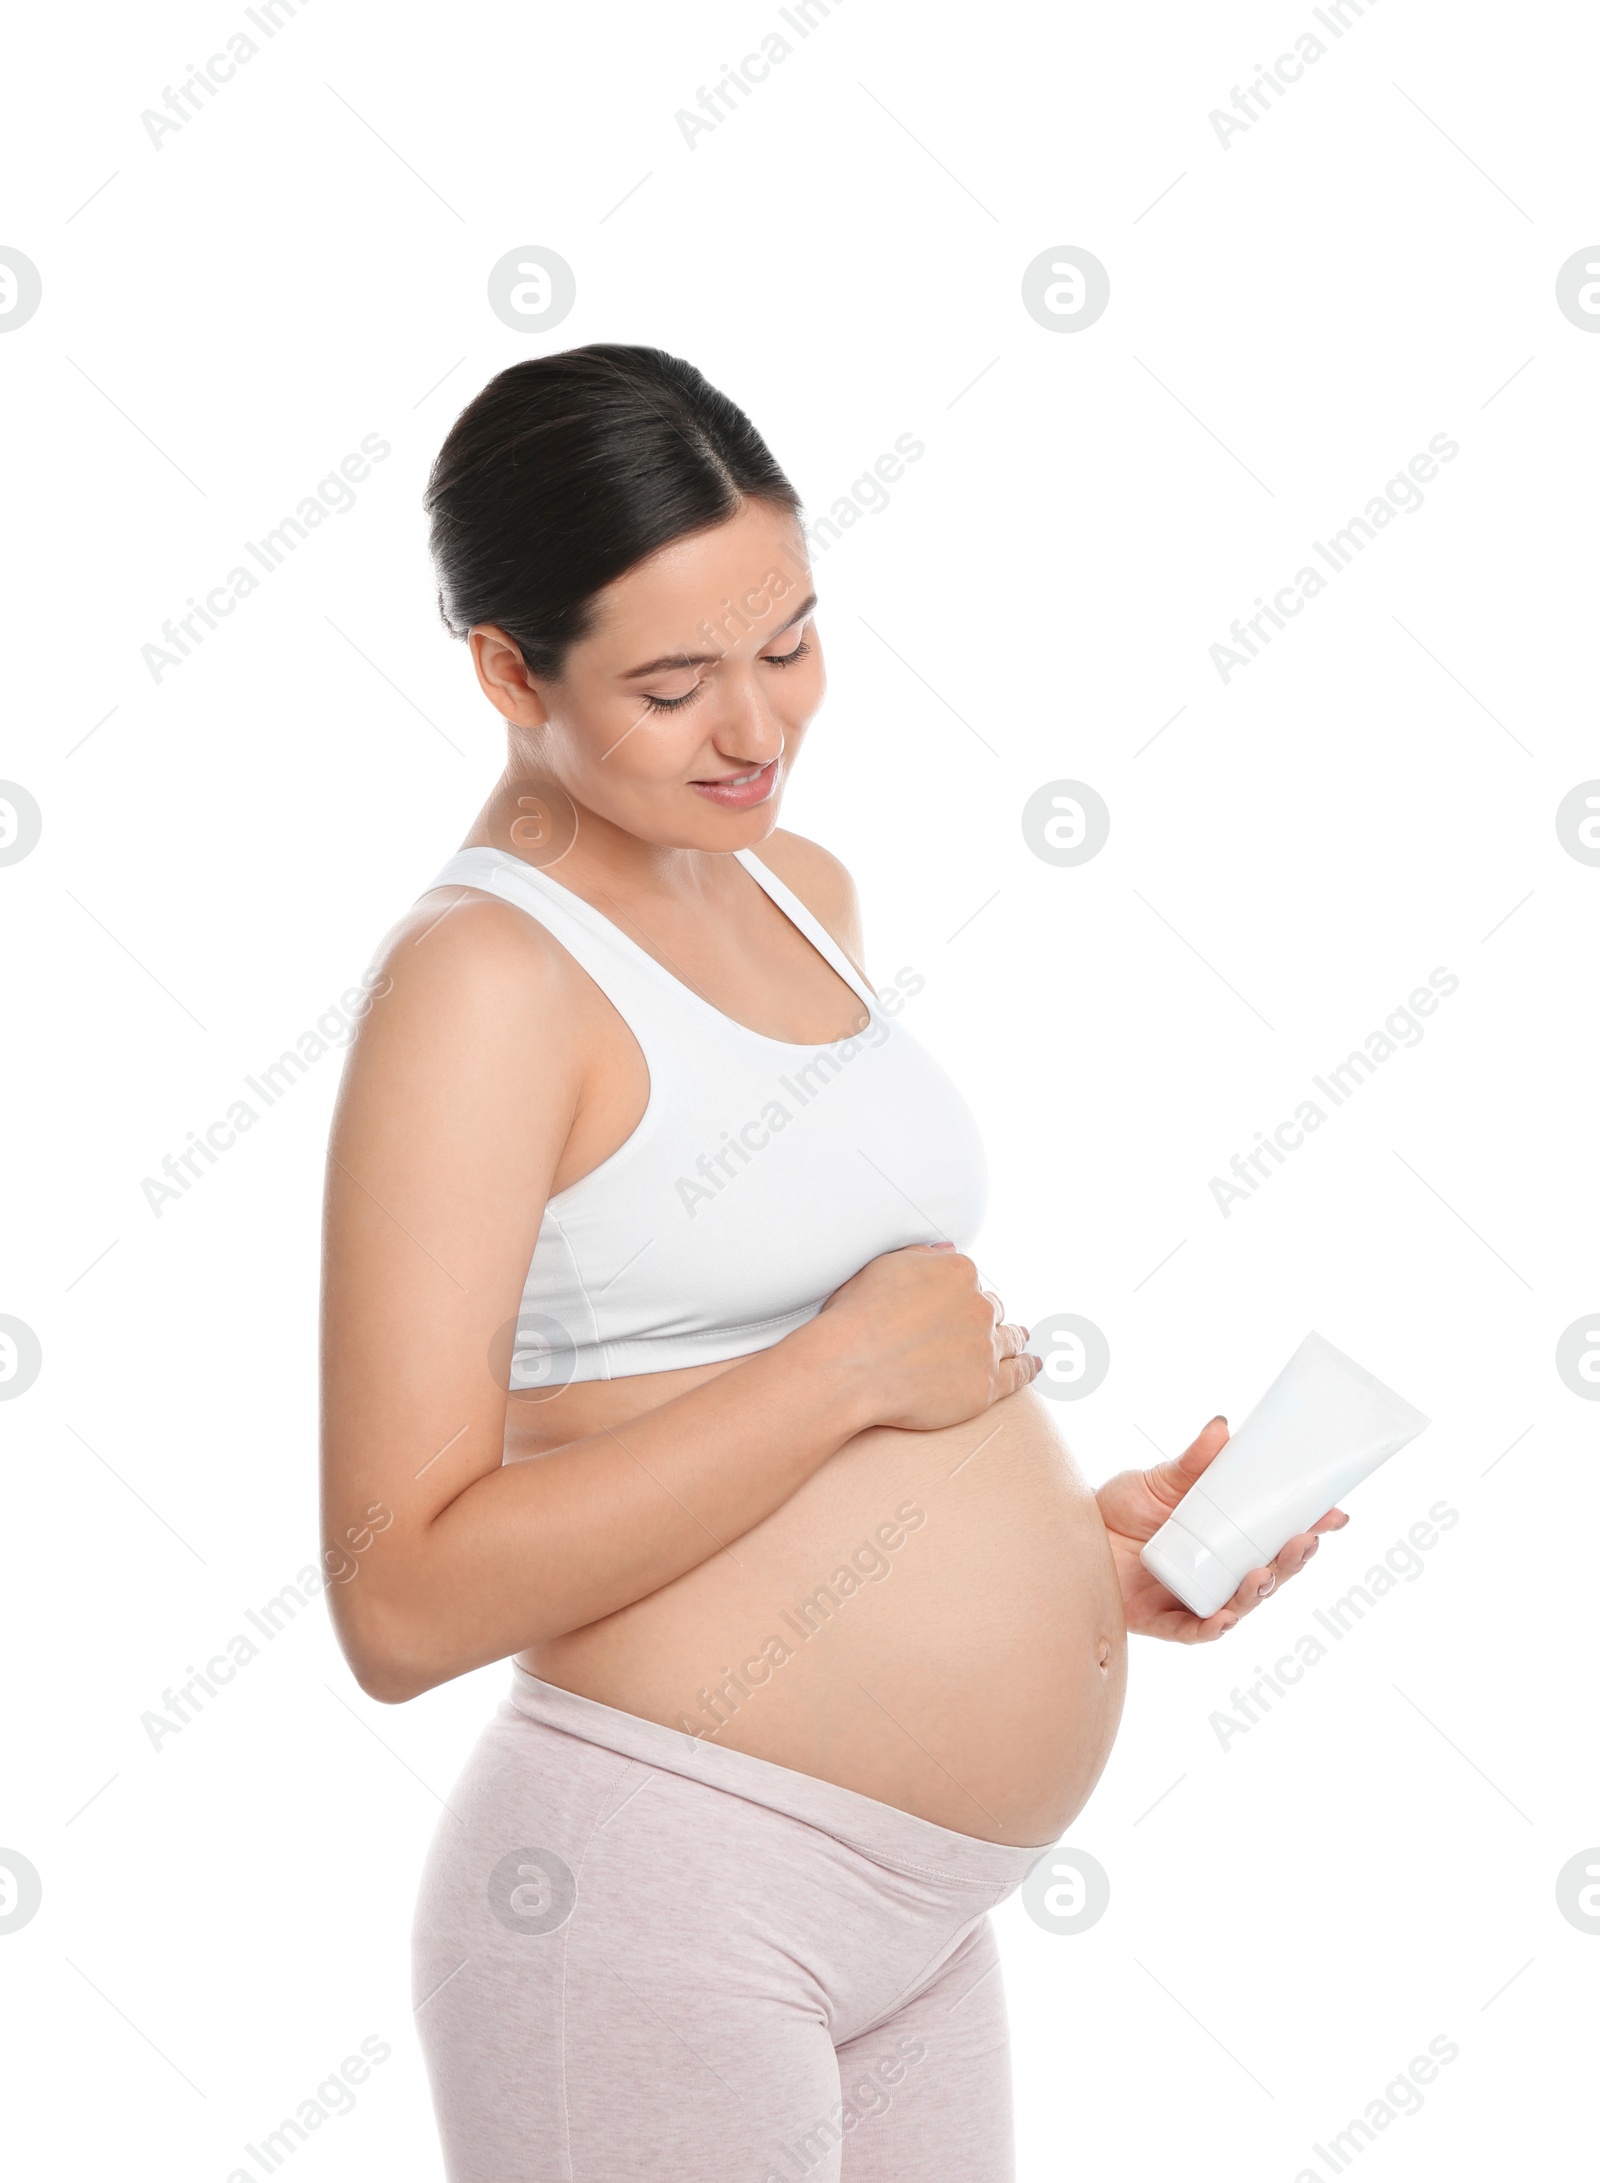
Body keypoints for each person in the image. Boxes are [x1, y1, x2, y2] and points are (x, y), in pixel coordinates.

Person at [319, 344, 1344, 2182]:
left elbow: (758, 1398)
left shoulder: (803, 889)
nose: (756, 729)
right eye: (670, 682)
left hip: (917, 1924)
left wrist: (1081, 1563)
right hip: (659, 1902)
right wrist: (847, 1378)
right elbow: (399, 1602)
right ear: (506, 671)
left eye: (788, 642)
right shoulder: (479, 987)